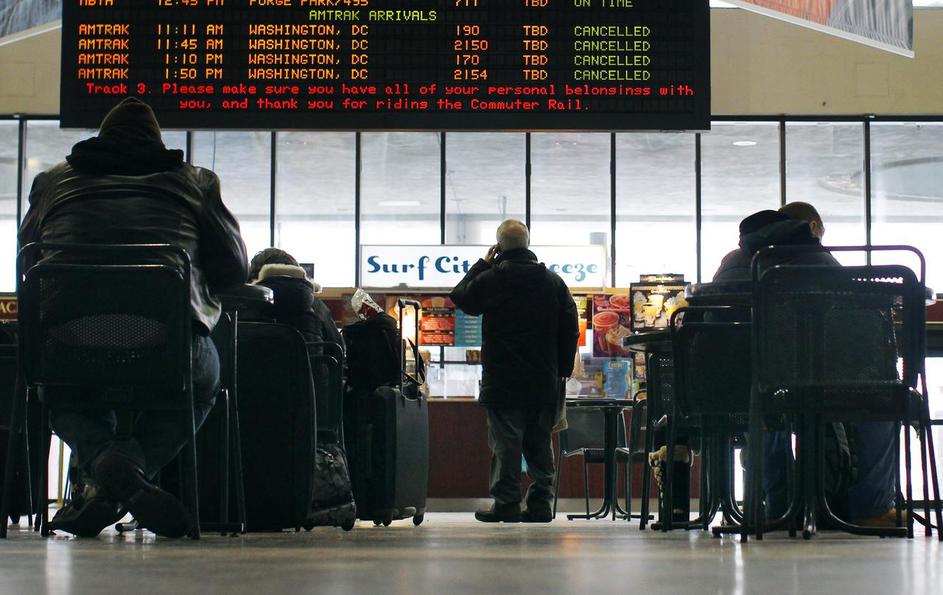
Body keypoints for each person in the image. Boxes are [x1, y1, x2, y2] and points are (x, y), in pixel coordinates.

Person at [19, 97, 248, 537]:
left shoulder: (50, 183)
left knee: (58, 392)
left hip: (67, 345)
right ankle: (127, 471)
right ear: (158, 142)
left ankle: (107, 468)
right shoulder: (196, 182)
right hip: (165, 345)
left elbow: (28, 260)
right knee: (203, 383)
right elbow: (235, 268)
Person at [711, 202, 897, 526]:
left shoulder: (731, 262)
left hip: (736, 387)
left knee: (765, 408)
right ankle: (872, 508)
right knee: (880, 404)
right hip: (815, 381)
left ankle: (778, 507)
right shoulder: (816, 258)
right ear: (811, 228)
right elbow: (857, 321)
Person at [450, 219, 579, 523]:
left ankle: (506, 503)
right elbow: (570, 327)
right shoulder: (553, 282)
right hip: (542, 380)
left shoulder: (492, 279)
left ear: (499, 247)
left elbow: (461, 296)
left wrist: (483, 264)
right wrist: (562, 369)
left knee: (506, 445)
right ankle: (541, 504)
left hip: (503, 380)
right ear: (528, 243)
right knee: (540, 444)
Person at [244, 247, 342, 347]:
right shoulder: (316, 306)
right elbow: (338, 347)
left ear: (253, 277)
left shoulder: (244, 304)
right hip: (309, 358)